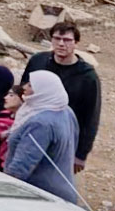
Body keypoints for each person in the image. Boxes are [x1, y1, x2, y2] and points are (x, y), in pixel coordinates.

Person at [21, 21, 101, 173]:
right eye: (57, 39)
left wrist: (81, 154)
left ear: (76, 43)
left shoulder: (87, 76)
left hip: (65, 138)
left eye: (67, 40)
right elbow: (23, 91)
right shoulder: (38, 61)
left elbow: (91, 117)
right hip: (32, 130)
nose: (61, 44)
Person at [4, 70, 80, 203]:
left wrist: (3, 192)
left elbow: (20, 167)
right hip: (62, 190)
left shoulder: (40, 123)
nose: (24, 88)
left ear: (43, 91)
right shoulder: (65, 110)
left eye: (31, 86)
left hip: (41, 196)